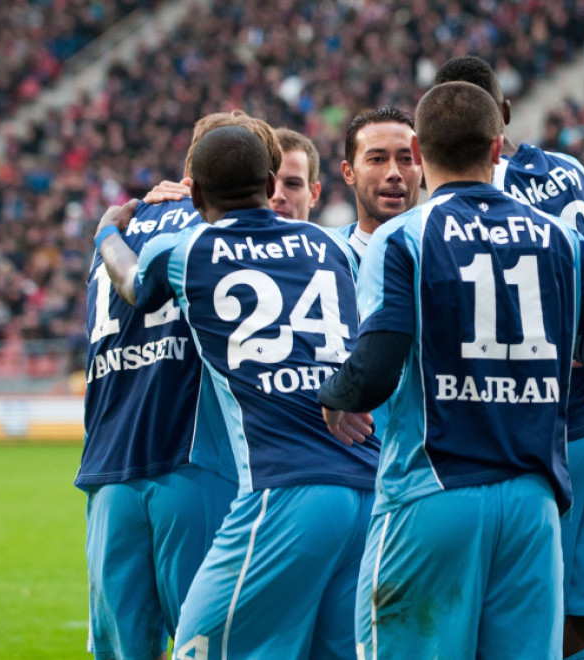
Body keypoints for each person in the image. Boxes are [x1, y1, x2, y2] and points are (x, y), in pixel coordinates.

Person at [317, 81, 584, 660]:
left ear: (418, 152)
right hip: (532, 504)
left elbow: (375, 369)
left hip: (432, 495)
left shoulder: (402, 238)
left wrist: (335, 395)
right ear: (498, 148)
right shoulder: (559, 238)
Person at [94, 124, 379, 660]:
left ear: (196, 192)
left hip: (284, 489)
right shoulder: (328, 244)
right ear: (270, 181)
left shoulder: (188, 249)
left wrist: (106, 233)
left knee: (197, 648)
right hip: (366, 485)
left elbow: (131, 284)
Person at [433, 54, 584, 660]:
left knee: (508, 636)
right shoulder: (571, 170)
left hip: (532, 435)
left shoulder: (474, 197)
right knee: (581, 633)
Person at [74, 111, 268, 660]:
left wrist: (108, 229)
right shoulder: (217, 235)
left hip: (108, 470)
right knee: (206, 645)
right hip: (193, 460)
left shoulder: (119, 232)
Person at [143, 126, 324, 224]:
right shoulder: (215, 251)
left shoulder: (339, 253)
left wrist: (112, 231)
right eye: (269, 184)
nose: (277, 196)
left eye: (292, 184)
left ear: (314, 193)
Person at [337, 106, 423, 257]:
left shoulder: (448, 256)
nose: (394, 173)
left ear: (422, 168)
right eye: (377, 159)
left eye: (406, 159)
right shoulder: (329, 258)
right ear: (349, 173)